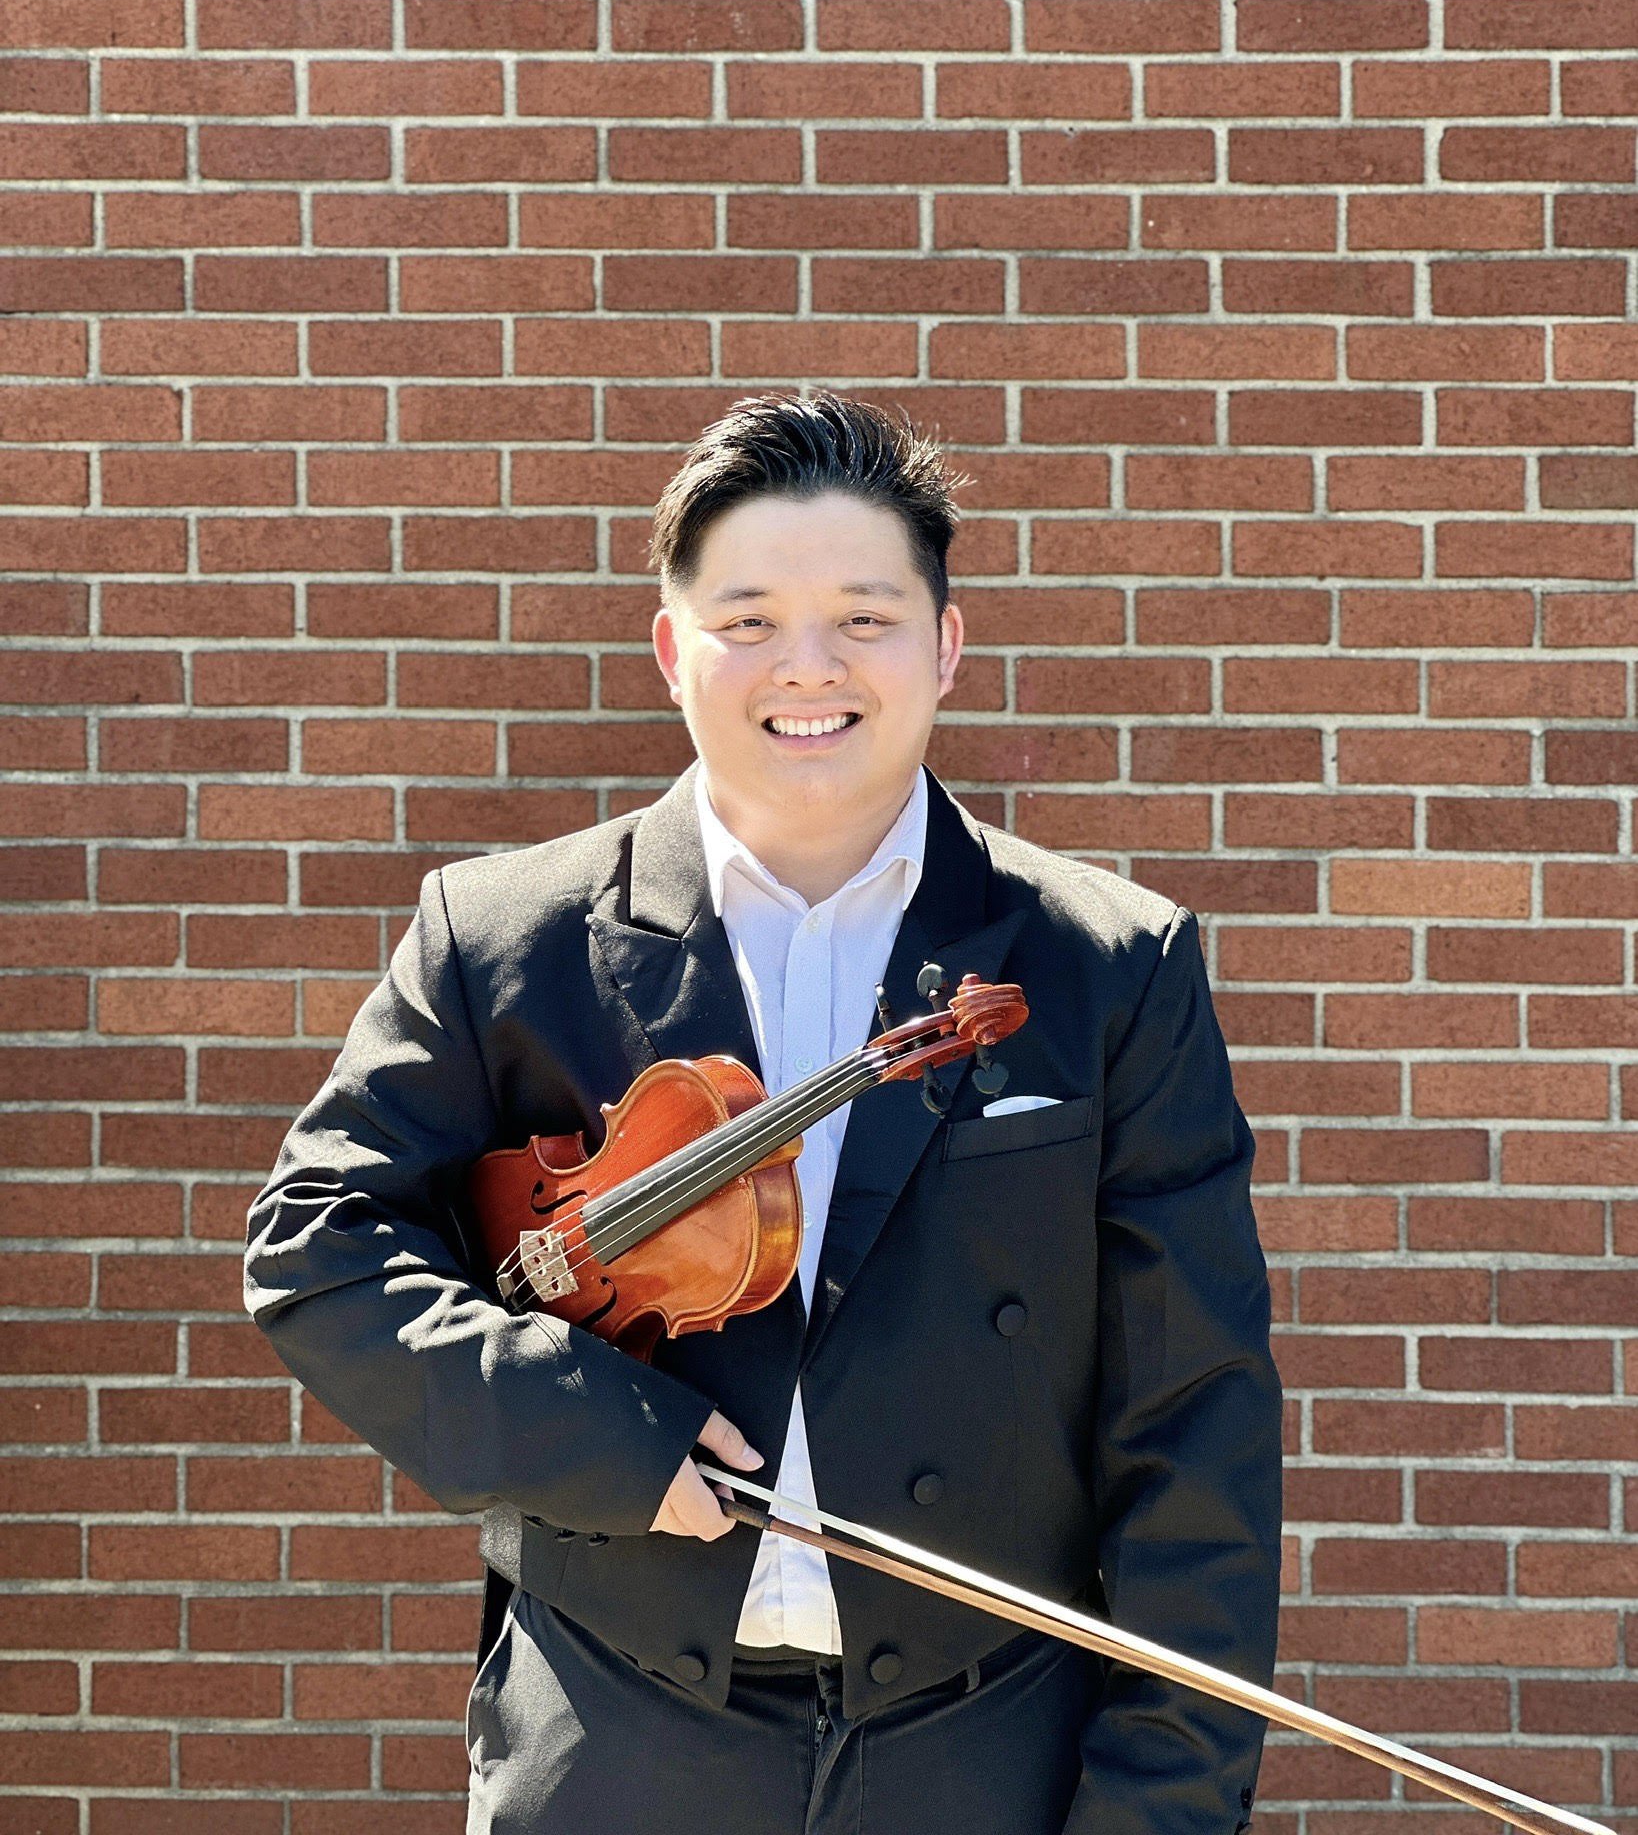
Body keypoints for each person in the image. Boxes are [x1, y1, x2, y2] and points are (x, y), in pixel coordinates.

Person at [244, 390, 1283, 1835]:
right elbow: (319, 1248)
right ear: (673, 649)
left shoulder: (1107, 964)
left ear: (945, 647)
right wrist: (601, 1438)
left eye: (863, 617)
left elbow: (1196, 1419)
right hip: (614, 1735)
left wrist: (1155, 1811)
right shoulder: (503, 936)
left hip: (989, 1741)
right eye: (748, 620)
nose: (807, 666)